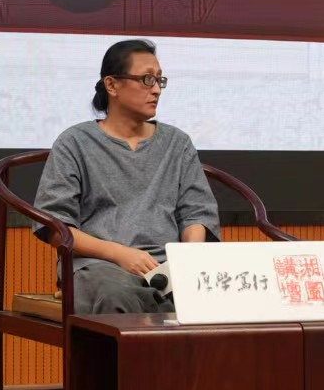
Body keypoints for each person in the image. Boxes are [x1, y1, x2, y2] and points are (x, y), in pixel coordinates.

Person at [32, 38, 221, 314]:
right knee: (117, 294)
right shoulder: (75, 142)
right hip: (98, 265)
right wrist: (120, 254)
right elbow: (56, 228)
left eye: (159, 80)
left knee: (227, 294)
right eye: (146, 79)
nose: (156, 89)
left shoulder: (177, 143)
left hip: (166, 266)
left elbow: (196, 213)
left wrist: (188, 263)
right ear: (112, 85)